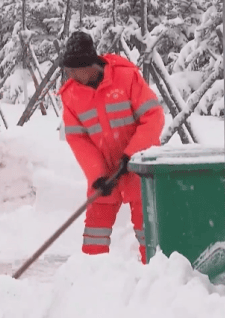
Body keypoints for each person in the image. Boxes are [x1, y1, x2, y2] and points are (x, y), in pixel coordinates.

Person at [59, 31, 165, 264]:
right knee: (95, 232)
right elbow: (78, 140)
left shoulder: (126, 78)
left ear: (89, 65)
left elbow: (153, 116)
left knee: (147, 229)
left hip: (140, 167)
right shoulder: (71, 95)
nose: (71, 76)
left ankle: (156, 275)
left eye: (74, 70)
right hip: (106, 171)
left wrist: (132, 156)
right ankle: (92, 276)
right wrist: (97, 175)